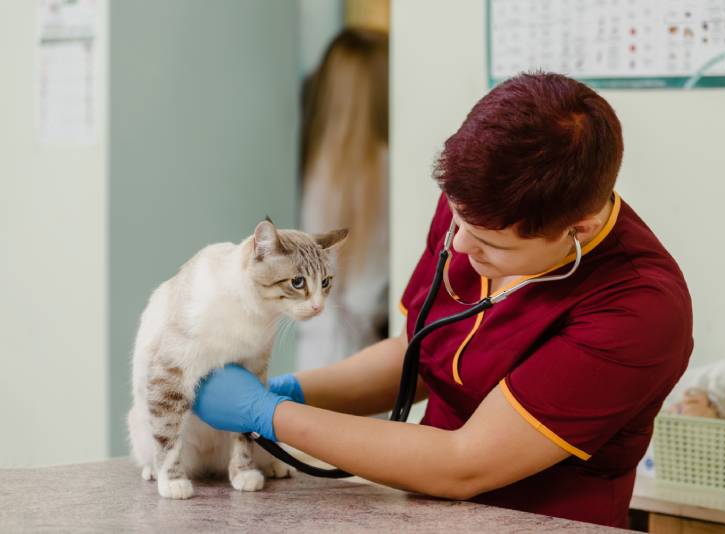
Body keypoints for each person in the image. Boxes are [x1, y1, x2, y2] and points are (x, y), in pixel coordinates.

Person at [193, 72, 693, 528]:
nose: (459, 245)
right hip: (430, 517)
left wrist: (268, 413)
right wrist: (287, 389)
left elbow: (463, 464)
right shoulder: (477, 206)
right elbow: (418, 354)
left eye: (490, 244)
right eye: (456, 219)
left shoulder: (639, 308)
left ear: (577, 230)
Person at [296, 28, 390, 370]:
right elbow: (365, 296)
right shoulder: (388, 169)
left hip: (308, 350)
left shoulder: (308, 165)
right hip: (363, 355)